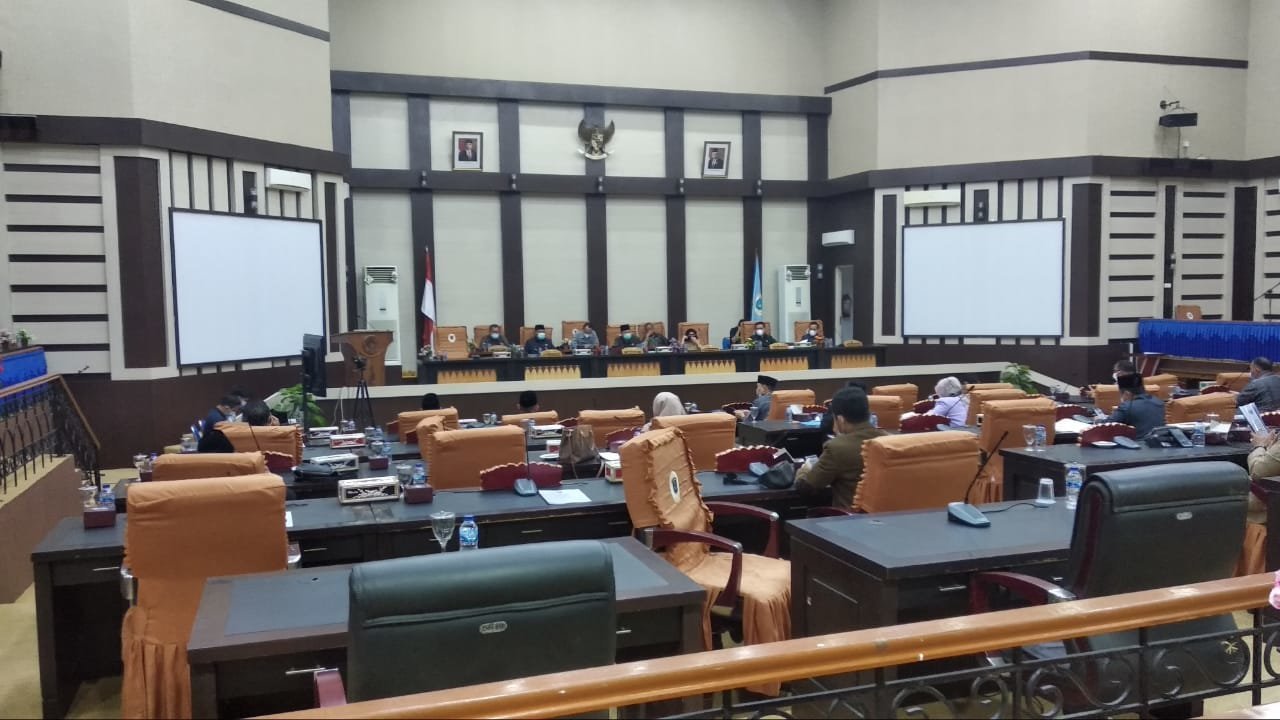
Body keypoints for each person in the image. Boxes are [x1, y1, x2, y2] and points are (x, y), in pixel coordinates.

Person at [796, 386, 886, 509]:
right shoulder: (890, 441)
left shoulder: (837, 448)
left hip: (848, 518)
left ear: (840, 419)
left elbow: (806, 488)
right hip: (891, 517)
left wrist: (803, 470)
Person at [1107, 371, 1166, 437]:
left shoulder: (1127, 407)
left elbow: (1107, 425)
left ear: (1127, 393)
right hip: (1158, 441)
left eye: (1121, 394)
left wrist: (1099, 419)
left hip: (1138, 442)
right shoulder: (1159, 402)